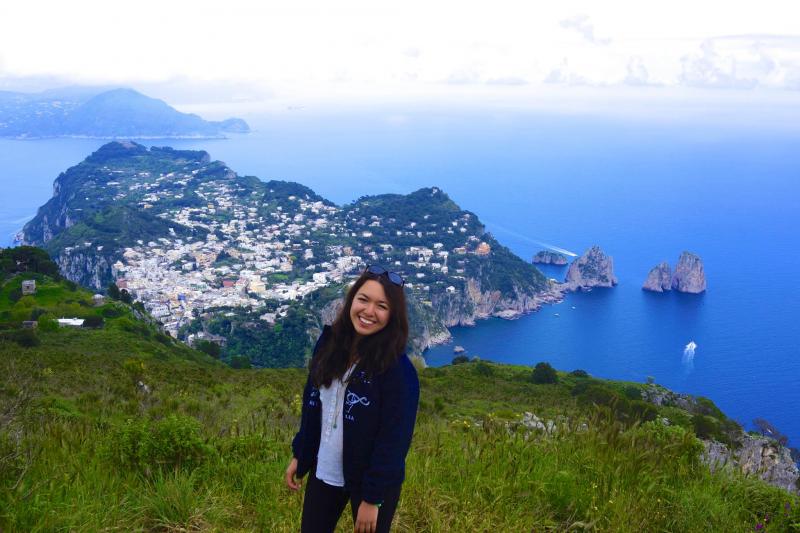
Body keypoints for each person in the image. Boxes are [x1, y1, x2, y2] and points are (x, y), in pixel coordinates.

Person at [286, 265, 420, 533]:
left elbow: (394, 440)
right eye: (363, 299)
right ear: (351, 301)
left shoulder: (397, 371)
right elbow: (313, 406)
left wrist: (373, 498)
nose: (369, 312)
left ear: (393, 314)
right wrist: (301, 455)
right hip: (325, 470)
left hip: (369, 481)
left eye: (381, 305)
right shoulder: (328, 345)